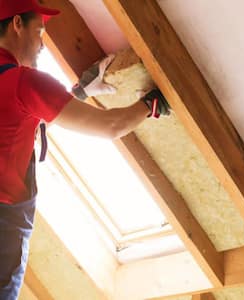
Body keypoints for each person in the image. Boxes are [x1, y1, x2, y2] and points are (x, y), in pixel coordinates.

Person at [0, 0, 170, 299]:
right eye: (39, 31)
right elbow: (110, 126)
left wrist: (79, 92)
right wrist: (151, 104)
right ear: (17, 24)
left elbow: (18, 130)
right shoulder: (23, 83)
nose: (41, 45)